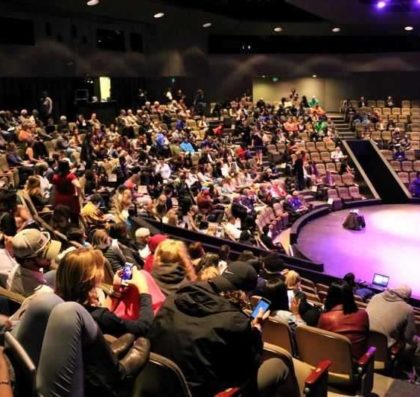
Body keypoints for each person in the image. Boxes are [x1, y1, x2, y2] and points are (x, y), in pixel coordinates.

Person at [149, 261, 291, 397]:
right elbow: (248, 368)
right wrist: (256, 331)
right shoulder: (236, 323)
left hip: (155, 384)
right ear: (245, 293)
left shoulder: (173, 299)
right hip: (200, 392)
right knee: (279, 365)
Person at [56, 248, 153, 337]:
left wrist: (115, 290)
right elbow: (144, 327)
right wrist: (143, 289)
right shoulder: (102, 317)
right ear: (91, 278)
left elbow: (98, 312)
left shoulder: (58, 301)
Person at [318, 281, 369, 359]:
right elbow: (366, 340)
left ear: (330, 297)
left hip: (330, 363)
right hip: (356, 366)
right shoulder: (363, 314)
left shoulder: (325, 318)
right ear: (351, 296)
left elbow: (320, 343)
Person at [7, 229, 61, 297]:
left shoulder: (17, 268)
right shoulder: (44, 292)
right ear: (28, 261)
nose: (51, 257)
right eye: (44, 254)